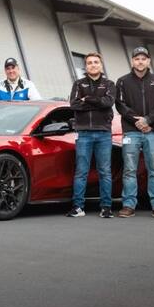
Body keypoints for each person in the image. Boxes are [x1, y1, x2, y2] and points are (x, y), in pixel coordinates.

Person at [115, 46, 154, 219]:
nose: (140, 61)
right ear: (132, 61)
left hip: (152, 131)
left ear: (148, 61)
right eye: (137, 58)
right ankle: (129, 205)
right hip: (131, 131)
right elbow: (120, 105)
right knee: (129, 169)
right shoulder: (122, 81)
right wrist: (137, 121)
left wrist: (147, 120)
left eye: (143, 58)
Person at [66, 52, 116, 218]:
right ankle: (78, 207)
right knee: (81, 171)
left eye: (96, 62)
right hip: (84, 133)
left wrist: (87, 99)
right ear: (85, 67)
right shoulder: (78, 84)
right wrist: (96, 102)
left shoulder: (109, 84)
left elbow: (108, 103)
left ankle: (106, 207)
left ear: (101, 65)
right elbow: (74, 104)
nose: (93, 65)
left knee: (105, 171)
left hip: (103, 133)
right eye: (89, 63)